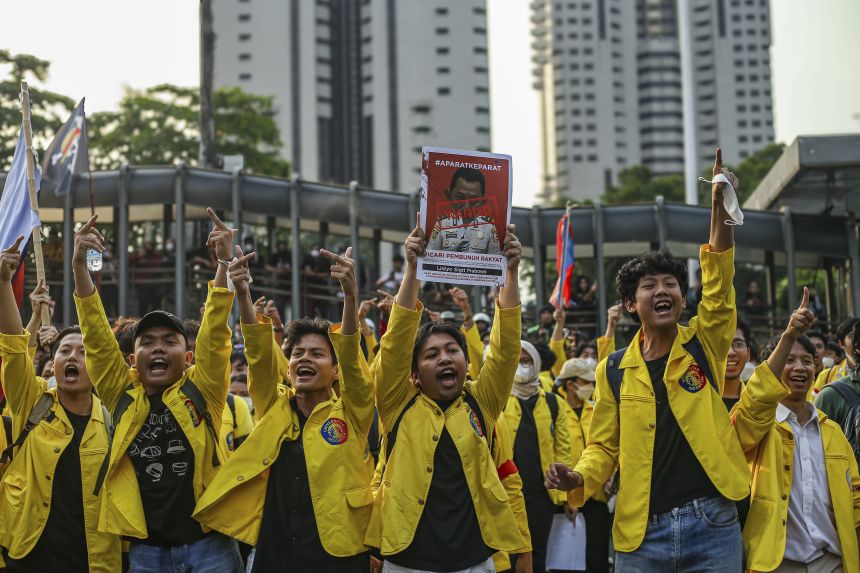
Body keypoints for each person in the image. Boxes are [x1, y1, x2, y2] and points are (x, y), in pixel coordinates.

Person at [545, 149, 748, 571]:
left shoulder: (703, 345)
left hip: (712, 523)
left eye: (671, 283)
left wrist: (720, 206)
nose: (663, 291)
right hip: (641, 535)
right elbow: (602, 444)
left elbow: (719, 286)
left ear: (680, 295)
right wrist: (581, 477)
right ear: (631, 305)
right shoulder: (613, 369)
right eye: (649, 285)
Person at [73, 210, 243, 572]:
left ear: (190, 356)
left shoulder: (204, 389)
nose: (159, 349)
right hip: (146, 552)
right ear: (134, 359)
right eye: (148, 342)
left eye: (170, 341)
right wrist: (80, 269)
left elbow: (215, 330)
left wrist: (224, 263)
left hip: (210, 545)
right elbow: (97, 338)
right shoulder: (121, 393)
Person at [194, 245, 375, 572]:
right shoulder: (274, 406)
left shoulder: (352, 412)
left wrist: (350, 297)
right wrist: (244, 294)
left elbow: (351, 357)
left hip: (340, 554)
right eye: (297, 353)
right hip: (277, 552)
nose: (304, 358)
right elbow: (261, 357)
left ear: (336, 371)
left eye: (317, 354)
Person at [368, 216, 524, 572]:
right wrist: (412, 270)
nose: (444, 358)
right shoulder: (397, 403)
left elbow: (504, 351)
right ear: (414, 375)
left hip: (475, 560)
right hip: (407, 560)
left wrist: (511, 273)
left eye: (452, 350)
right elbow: (393, 348)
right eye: (431, 354)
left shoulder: (480, 403)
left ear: (467, 362)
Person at [0, 237, 121, 572]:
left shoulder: (116, 420)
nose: (73, 357)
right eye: (65, 351)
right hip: (28, 557)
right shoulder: (32, 403)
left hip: (93, 561)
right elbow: (12, 348)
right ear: (52, 365)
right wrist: (3, 284)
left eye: (84, 353)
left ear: (99, 369)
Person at [735, 289, 860, 573]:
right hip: (777, 563)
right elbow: (754, 403)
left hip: (833, 562)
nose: (799, 367)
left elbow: (855, 499)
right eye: (789, 360)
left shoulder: (833, 433)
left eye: (807, 361)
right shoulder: (759, 427)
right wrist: (788, 334)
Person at [504, 339, 572, 573]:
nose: (522, 366)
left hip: (541, 495)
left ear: (536, 363)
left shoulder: (554, 403)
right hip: (506, 495)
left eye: (526, 361)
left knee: (538, 553)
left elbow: (563, 450)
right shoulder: (499, 401)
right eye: (517, 361)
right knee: (508, 556)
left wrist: (565, 496)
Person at [555, 357, 611, 573]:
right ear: (570, 384)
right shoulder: (554, 409)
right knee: (567, 562)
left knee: (597, 558)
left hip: (596, 496)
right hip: (566, 502)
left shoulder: (594, 410)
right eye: (585, 382)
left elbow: (608, 447)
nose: (590, 387)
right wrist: (565, 499)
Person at [426, 167, 501, 255]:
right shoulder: (442, 224)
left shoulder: (489, 228)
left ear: (483, 202)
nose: (466, 207)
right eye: (460, 198)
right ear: (449, 196)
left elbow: (496, 265)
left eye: (474, 201)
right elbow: (429, 260)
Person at [812, 318, 857, 395]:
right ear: (842, 343)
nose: (858, 340)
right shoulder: (826, 376)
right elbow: (814, 406)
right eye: (852, 336)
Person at [723, 318, 753, 411]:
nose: (730, 352)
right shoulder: (697, 398)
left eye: (738, 344)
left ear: (748, 354)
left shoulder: (756, 403)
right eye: (723, 344)